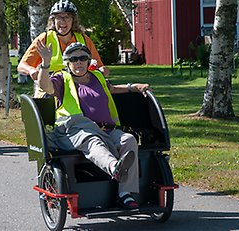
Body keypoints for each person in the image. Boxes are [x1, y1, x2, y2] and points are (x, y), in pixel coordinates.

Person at [37, 42, 151, 209]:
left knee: (129, 140)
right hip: (74, 130)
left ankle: (125, 193)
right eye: (74, 59)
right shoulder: (62, 79)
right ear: (68, 62)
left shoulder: (97, 76)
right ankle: (115, 168)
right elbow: (44, 86)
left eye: (83, 58)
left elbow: (110, 88)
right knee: (92, 140)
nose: (79, 62)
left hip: (106, 129)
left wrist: (133, 87)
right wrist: (46, 64)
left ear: (88, 60)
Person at [17, 0, 109, 97]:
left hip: (77, 89)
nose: (63, 21)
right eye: (59, 17)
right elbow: (22, 65)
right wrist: (31, 70)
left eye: (67, 17)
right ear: (53, 20)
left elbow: (98, 66)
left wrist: (102, 70)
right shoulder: (45, 39)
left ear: (73, 20)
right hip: (50, 89)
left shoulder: (84, 39)